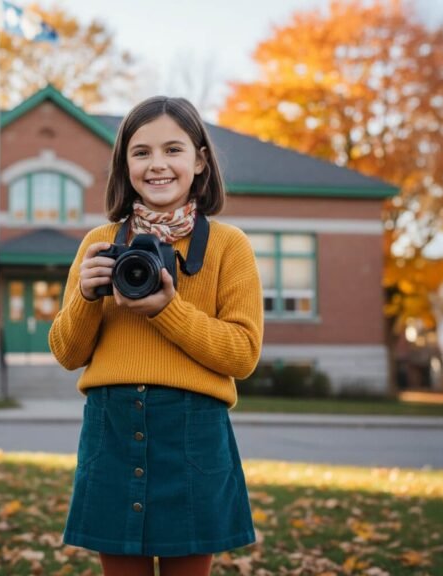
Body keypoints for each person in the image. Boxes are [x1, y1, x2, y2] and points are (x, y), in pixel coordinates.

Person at [48, 96, 263, 576]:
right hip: (112, 427)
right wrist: (86, 295)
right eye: (141, 152)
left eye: (173, 149)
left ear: (200, 160)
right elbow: (67, 353)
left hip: (194, 431)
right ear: (125, 165)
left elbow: (243, 355)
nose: (157, 164)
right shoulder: (99, 245)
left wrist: (168, 309)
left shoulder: (230, 246)